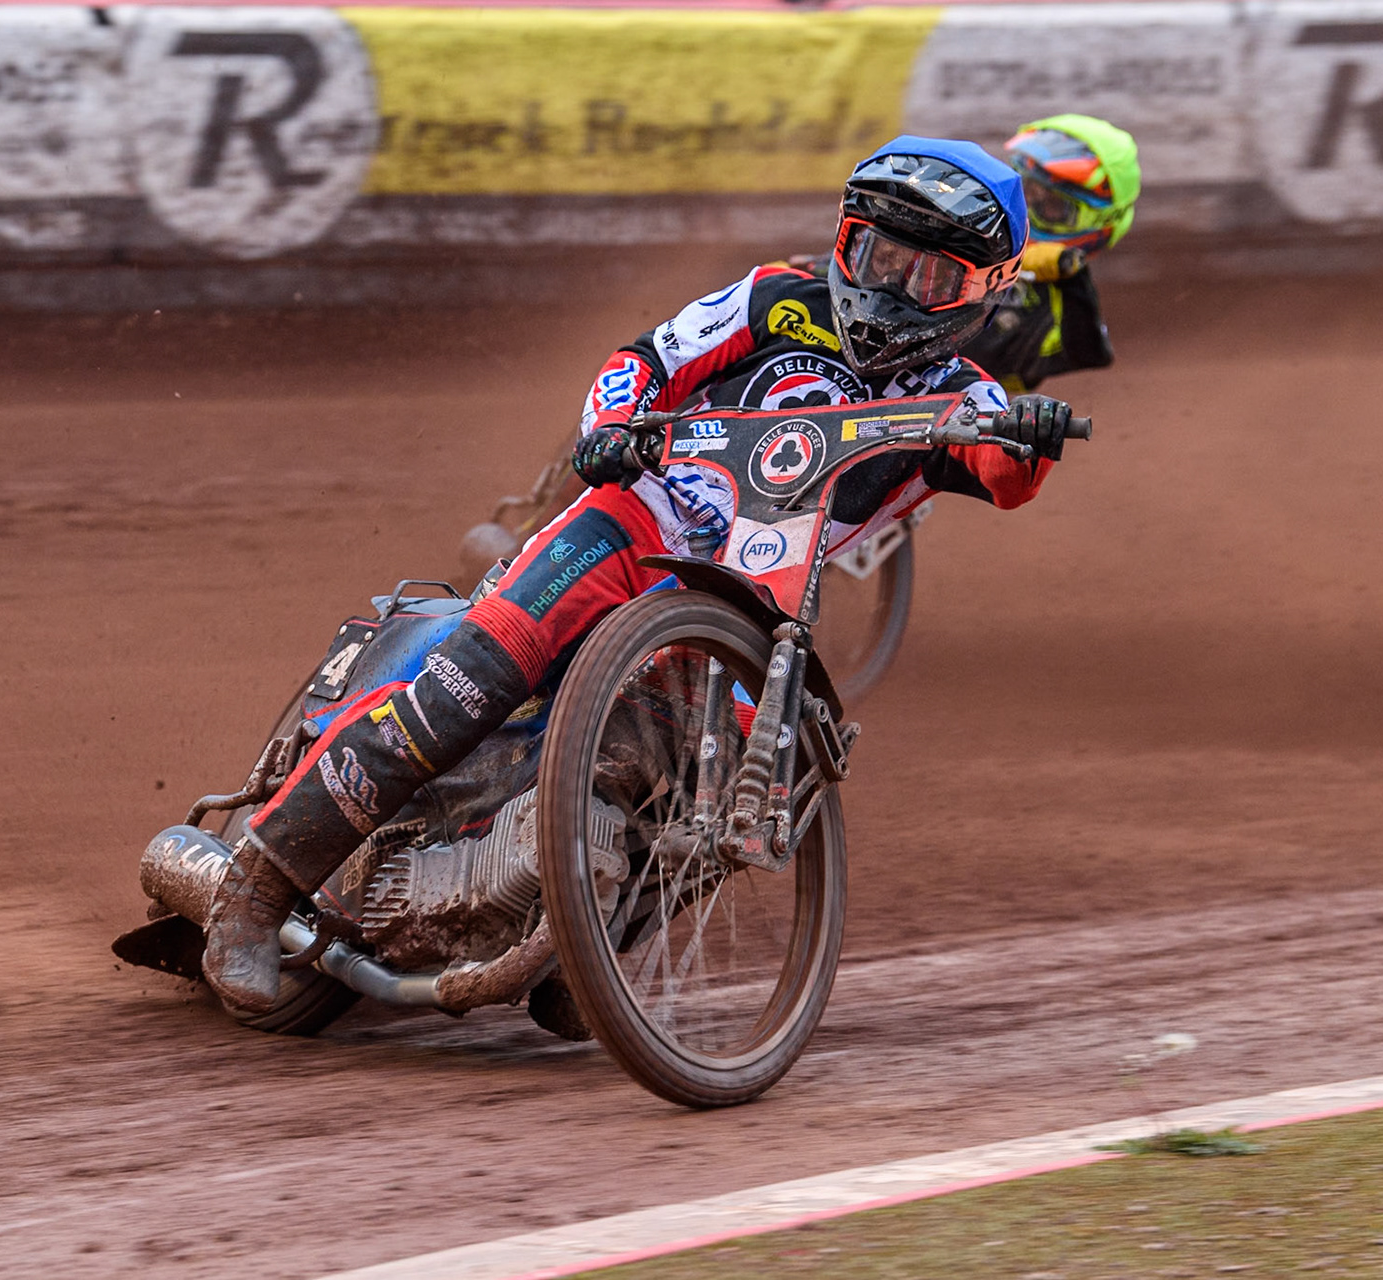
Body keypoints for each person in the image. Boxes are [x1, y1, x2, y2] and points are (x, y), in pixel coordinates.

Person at [202, 136, 1083, 1013]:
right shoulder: (775, 296)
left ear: (984, 287)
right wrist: (613, 425)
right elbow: (645, 359)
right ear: (847, 238)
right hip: (635, 520)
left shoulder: (964, 400)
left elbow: (1007, 478)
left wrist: (1032, 436)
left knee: (762, 771)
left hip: (747, 609)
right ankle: (258, 888)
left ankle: (592, 950)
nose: (891, 286)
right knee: (469, 679)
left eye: (928, 276)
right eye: (877, 254)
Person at [962, 114, 1141, 395]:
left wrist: (1071, 277)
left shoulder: (1058, 300)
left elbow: (1090, 353)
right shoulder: (979, 234)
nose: (1029, 209)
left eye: (1052, 206)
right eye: (1027, 192)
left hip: (954, 413)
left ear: (1096, 219)